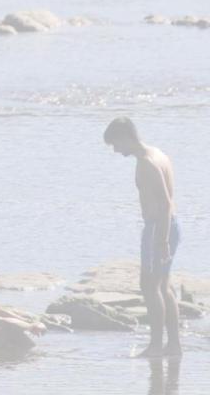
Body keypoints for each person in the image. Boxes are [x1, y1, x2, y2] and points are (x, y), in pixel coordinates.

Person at [104, 117, 181, 357]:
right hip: (170, 226)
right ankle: (174, 346)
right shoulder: (158, 153)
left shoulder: (147, 162)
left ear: (126, 137)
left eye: (115, 144)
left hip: (160, 227)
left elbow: (166, 203)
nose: (116, 150)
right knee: (163, 285)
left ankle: (156, 345)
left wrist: (163, 240)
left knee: (149, 286)